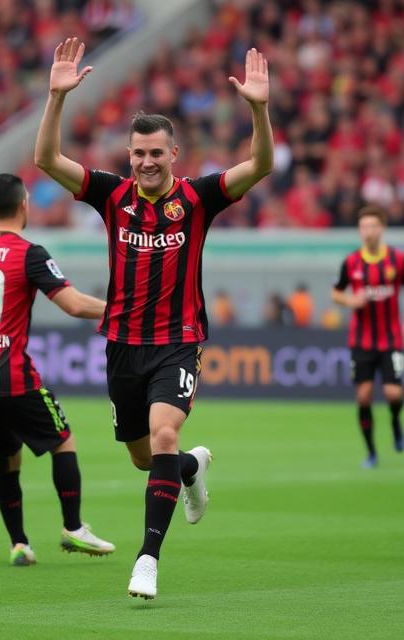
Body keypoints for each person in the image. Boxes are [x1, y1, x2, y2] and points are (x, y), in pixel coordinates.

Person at [35, 38, 273, 598]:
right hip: (122, 345)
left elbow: (261, 164)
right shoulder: (111, 195)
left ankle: (147, 559)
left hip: (178, 341)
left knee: (164, 434)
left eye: (156, 154)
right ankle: (190, 469)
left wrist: (259, 110)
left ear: (174, 155)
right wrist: (56, 97)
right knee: (147, 458)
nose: (146, 162)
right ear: (129, 155)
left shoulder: (199, 198)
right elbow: (46, 160)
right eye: (139, 153)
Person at [0, 173, 115, 566]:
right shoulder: (29, 253)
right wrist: (120, 310)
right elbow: (73, 304)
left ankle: (17, 541)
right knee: (63, 440)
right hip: (10, 373)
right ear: (24, 206)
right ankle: (73, 528)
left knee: (5, 455)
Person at [331, 205, 404, 468]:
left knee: (393, 393)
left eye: (372, 226)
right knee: (363, 396)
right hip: (361, 340)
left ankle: (395, 423)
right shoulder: (351, 262)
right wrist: (351, 300)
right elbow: (335, 293)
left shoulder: (398, 260)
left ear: (381, 228)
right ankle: (371, 452)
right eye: (363, 227)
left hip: (391, 338)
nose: (367, 231)